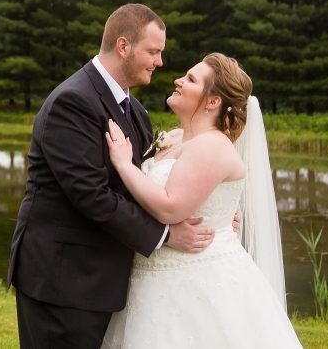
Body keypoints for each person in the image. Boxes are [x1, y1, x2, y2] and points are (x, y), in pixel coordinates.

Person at [7, 4, 219, 349]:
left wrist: (207, 211)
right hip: (63, 280)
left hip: (102, 279)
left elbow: (144, 183)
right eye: (153, 51)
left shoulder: (135, 111)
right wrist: (165, 235)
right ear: (123, 46)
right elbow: (91, 195)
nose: (160, 62)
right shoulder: (72, 102)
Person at [100, 53, 302, 348]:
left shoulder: (213, 146)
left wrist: (123, 164)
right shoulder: (176, 138)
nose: (178, 81)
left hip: (197, 277)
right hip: (151, 275)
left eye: (191, 79)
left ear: (213, 101)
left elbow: (169, 207)